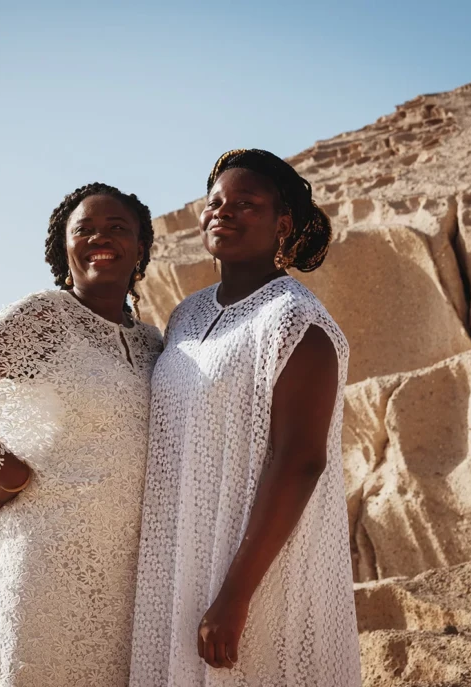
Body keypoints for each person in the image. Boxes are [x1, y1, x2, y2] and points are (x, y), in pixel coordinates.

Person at [0, 183, 163, 687]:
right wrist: (9, 470)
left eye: (117, 228)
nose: (99, 238)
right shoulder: (44, 318)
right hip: (42, 566)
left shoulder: (153, 342)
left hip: (128, 581)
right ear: (63, 247)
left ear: (140, 247)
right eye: (83, 229)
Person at [130, 149, 362, 686]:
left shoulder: (295, 320)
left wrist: (235, 596)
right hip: (182, 555)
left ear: (283, 223)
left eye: (245, 204)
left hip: (254, 568)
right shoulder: (187, 313)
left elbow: (300, 462)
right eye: (215, 203)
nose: (223, 212)